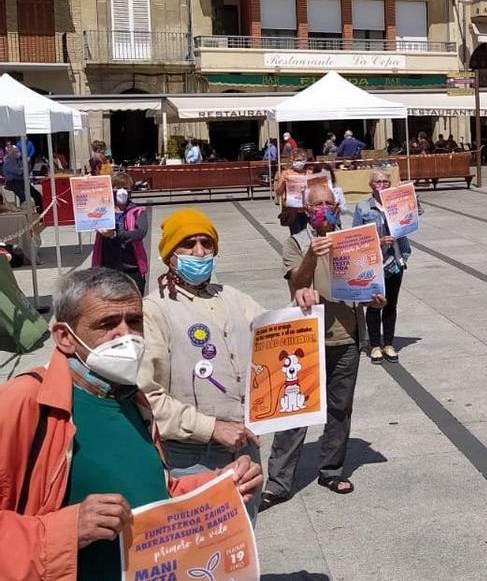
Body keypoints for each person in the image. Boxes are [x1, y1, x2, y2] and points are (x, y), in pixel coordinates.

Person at [0, 268, 263, 581]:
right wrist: (67, 530)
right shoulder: (26, 401)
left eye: (134, 321)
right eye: (107, 324)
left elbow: (154, 491)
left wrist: (216, 486)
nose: (126, 335)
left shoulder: (132, 398)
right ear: (65, 337)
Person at [139, 209, 280, 517]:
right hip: (190, 458)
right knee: (199, 551)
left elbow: (279, 337)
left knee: (244, 544)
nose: (199, 252)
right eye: (188, 244)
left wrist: (305, 307)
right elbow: (148, 397)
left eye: (207, 243)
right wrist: (212, 427)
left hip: (245, 450)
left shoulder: (232, 297)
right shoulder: (155, 310)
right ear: (169, 255)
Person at [262, 183, 385, 507]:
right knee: (295, 411)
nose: (324, 208)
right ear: (306, 209)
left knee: (340, 408)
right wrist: (311, 257)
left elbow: (367, 285)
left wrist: (376, 299)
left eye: (329, 202)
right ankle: (278, 482)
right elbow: (297, 283)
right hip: (306, 339)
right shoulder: (296, 242)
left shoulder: (353, 241)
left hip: (346, 336)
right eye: (317, 204)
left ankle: (331, 470)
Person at [352, 170, 412, 364]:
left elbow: (414, 215)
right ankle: (375, 345)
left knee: (391, 304)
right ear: (371, 185)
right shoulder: (363, 207)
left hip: (395, 261)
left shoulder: (396, 203)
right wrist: (378, 241)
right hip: (373, 263)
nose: (383, 185)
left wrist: (409, 196)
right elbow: (356, 238)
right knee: (374, 304)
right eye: (378, 182)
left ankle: (389, 343)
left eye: (386, 181)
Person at [92, 173, 149, 295]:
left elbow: (140, 233)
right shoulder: (103, 211)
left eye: (125, 188)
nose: (121, 191)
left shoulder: (138, 211)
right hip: (107, 268)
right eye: (117, 187)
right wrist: (87, 183)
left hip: (132, 268)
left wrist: (116, 234)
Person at [275, 151, 311, 235]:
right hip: (292, 210)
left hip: (307, 210)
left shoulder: (308, 173)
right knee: (296, 235)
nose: (299, 162)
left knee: (307, 234)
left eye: (301, 160)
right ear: (292, 160)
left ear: (305, 160)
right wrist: (283, 182)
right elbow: (279, 193)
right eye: (297, 160)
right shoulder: (286, 173)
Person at [3, 142, 43, 211]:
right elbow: (19, 172)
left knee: (37, 194)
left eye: (18, 151)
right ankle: (25, 213)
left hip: (22, 181)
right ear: (12, 153)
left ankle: (41, 212)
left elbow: (26, 171)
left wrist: (26, 165)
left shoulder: (19, 161)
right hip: (12, 182)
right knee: (23, 196)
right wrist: (24, 168)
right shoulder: (8, 162)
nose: (18, 153)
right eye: (16, 152)